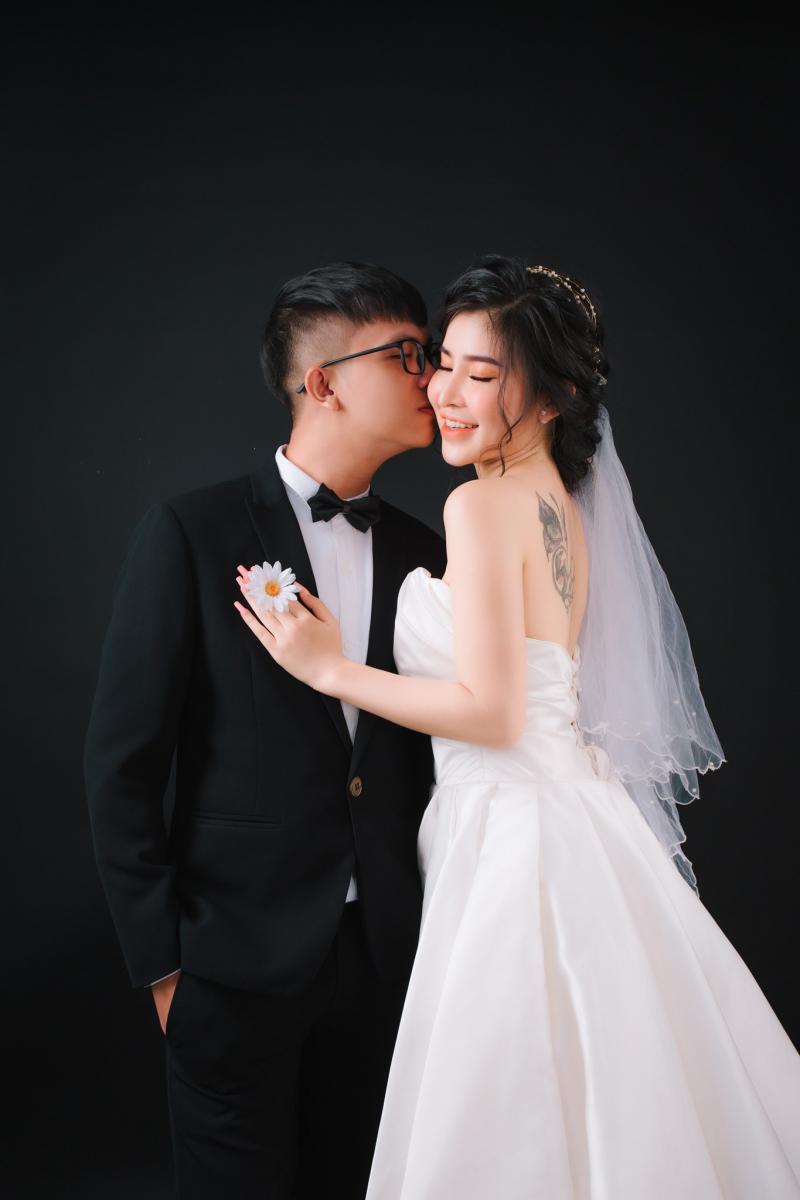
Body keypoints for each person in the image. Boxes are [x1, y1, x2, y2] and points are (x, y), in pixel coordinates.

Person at [235, 254, 800, 1198]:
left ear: (554, 396)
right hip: (569, 816)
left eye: (481, 375)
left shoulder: (482, 505)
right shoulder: (560, 507)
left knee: (510, 1103)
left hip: (511, 834)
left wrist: (331, 670)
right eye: (443, 364)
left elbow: (493, 713)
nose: (444, 393)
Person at [83, 260, 449, 1199]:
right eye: (407, 354)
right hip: (230, 967)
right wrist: (165, 969)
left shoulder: (429, 551)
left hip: (386, 965)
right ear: (322, 383)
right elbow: (123, 766)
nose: (433, 375)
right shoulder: (192, 533)